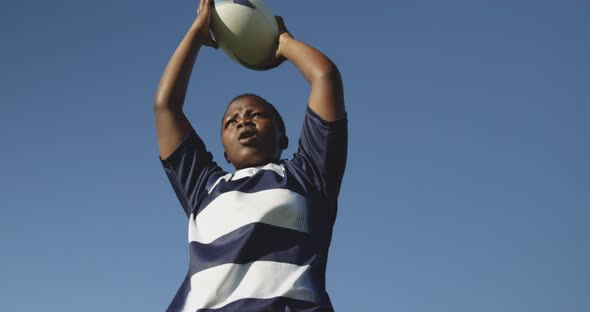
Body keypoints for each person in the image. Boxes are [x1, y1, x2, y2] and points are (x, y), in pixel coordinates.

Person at [153, 0, 347, 310]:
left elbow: (325, 77)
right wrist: (196, 34)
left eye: (256, 114)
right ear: (224, 152)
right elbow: (166, 106)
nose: (243, 120)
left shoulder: (309, 175)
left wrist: (284, 43)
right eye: (231, 121)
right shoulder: (203, 187)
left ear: (283, 137)